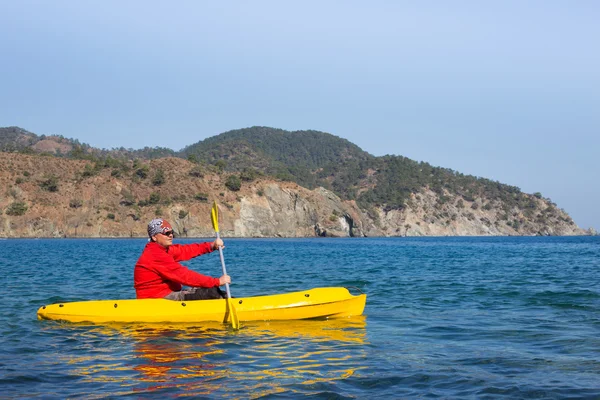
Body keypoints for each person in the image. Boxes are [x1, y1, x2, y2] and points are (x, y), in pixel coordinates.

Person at [134, 218, 231, 300]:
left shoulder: (164, 250)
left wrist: (211, 246)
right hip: (157, 300)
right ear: (154, 237)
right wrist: (216, 282)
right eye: (166, 233)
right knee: (211, 291)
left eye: (172, 232)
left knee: (213, 291)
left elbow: (186, 250)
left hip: (168, 293)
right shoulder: (155, 255)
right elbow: (183, 276)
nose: (171, 235)